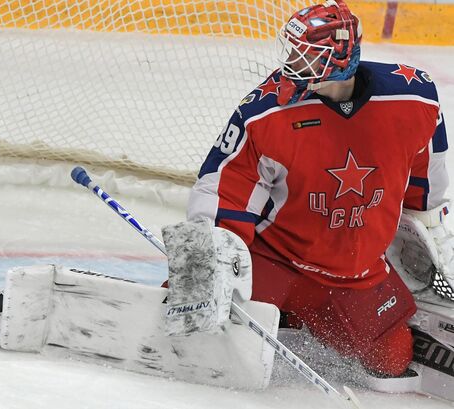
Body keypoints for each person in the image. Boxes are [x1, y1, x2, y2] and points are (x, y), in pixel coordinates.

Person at [186, 0, 449, 378]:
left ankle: (299, 318)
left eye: (306, 56)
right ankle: (281, 311)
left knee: (392, 359)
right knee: (202, 328)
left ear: (340, 61)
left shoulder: (413, 98)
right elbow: (224, 189)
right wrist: (213, 261)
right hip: (274, 258)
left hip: (356, 272)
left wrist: (425, 224)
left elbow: (427, 174)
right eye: (293, 51)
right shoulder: (265, 111)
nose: (292, 62)